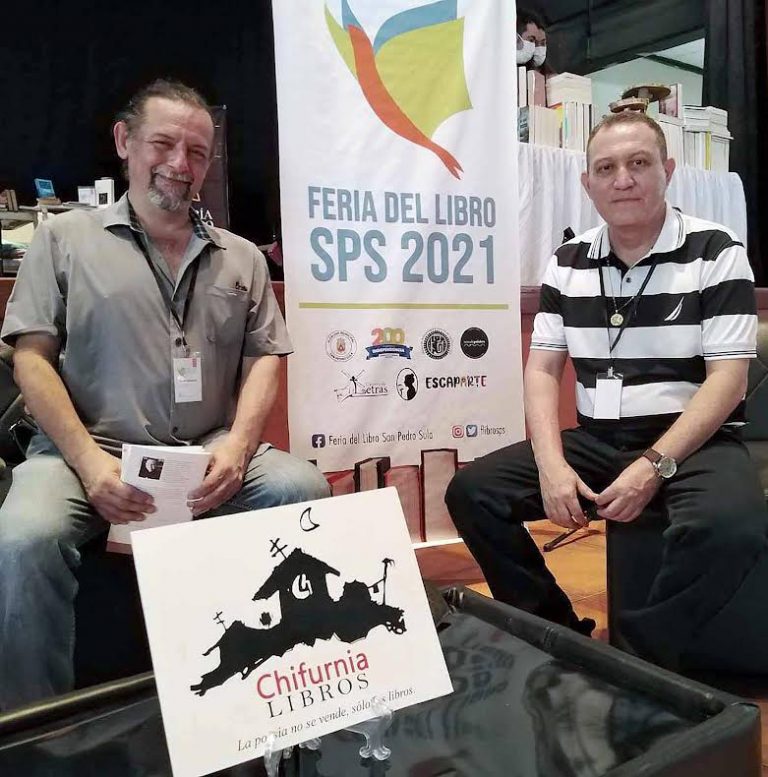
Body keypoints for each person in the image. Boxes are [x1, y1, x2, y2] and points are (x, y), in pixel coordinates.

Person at [0, 79, 330, 710]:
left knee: (301, 490)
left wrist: (239, 446)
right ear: (124, 142)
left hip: (206, 448)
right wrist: (89, 464)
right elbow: (31, 360)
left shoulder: (242, 257)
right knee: (23, 538)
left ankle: (274, 688)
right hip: (85, 451)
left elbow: (264, 357)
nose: (181, 163)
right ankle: (34, 729)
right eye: (164, 144)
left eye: (197, 152)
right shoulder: (63, 240)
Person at [447, 111, 768, 672]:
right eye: (606, 168)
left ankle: (637, 657)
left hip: (693, 441)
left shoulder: (716, 252)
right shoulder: (567, 261)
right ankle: (554, 631)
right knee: (473, 492)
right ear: (587, 183)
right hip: (598, 438)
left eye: (639, 163)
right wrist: (550, 465)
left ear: (668, 171)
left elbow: (728, 379)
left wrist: (653, 466)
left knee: (731, 528)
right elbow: (542, 370)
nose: (623, 179)